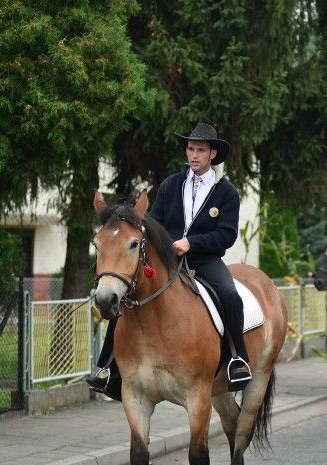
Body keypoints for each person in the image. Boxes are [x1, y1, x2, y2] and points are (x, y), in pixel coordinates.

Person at [87, 123, 252, 399]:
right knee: (127, 297)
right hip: (167, 259)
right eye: (190, 149)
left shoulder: (227, 192)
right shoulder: (170, 185)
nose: (194, 155)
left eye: (200, 150)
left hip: (205, 259)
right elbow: (155, 223)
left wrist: (192, 242)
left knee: (229, 294)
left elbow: (227, 234)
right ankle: (106, 367)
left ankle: (238, 360)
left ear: (212, 154)